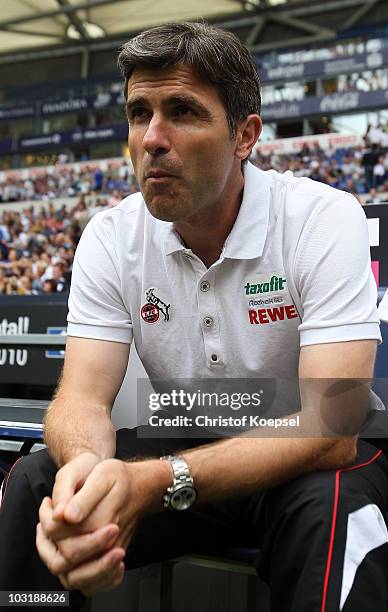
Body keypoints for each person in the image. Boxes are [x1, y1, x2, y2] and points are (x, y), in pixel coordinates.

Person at [1, 22, 387, 612]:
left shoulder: (321, 217)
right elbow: (80, 400)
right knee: (38, 482)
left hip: (299, 453)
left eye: (182, 111)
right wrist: (89, 478)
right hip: (181, 430)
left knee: (333, 503)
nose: (152, 138)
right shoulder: (110, 235)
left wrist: (157, 480)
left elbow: (333, 422)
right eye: (139, 113)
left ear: (245, 135)